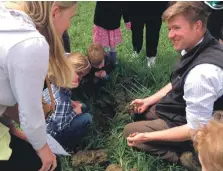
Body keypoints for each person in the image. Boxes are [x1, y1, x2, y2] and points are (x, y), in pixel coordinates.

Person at [123, 2, 223, 170]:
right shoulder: (203, 44)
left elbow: (195, 129)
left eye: (176, 28)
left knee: (130, 131)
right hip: (183, 106)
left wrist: (146, 137)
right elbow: (178, 80)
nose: (170, 35)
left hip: (198, 125)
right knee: (140, 113)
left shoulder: (201, 75)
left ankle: (186, 157)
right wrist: (149, 100)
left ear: (197, 26)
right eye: (169, 29)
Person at [0, 1, 77, 171]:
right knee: (51, 165)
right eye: (71, 17)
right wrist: (43, 149)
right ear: (55, 12)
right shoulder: (31, 44)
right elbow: (30, 112)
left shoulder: (7, 14)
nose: (69, 24)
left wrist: (12, 128)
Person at [44, 52, 92, 150]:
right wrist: (74, 113)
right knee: (87, 118)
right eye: (79, 74)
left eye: (82, 76)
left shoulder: (55, 84)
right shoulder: (62, 101)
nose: (80, 78)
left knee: (82, 106)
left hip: (46, 124)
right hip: (52, 137)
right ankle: (69, 145)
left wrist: (71, 102)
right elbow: (59, 127)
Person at [128, 2, 168, 67]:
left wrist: (166, 8)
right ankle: (136, 50)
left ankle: (151, 56)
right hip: (136, 6)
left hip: (156, 7)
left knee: (153, 32)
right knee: (136, 30)